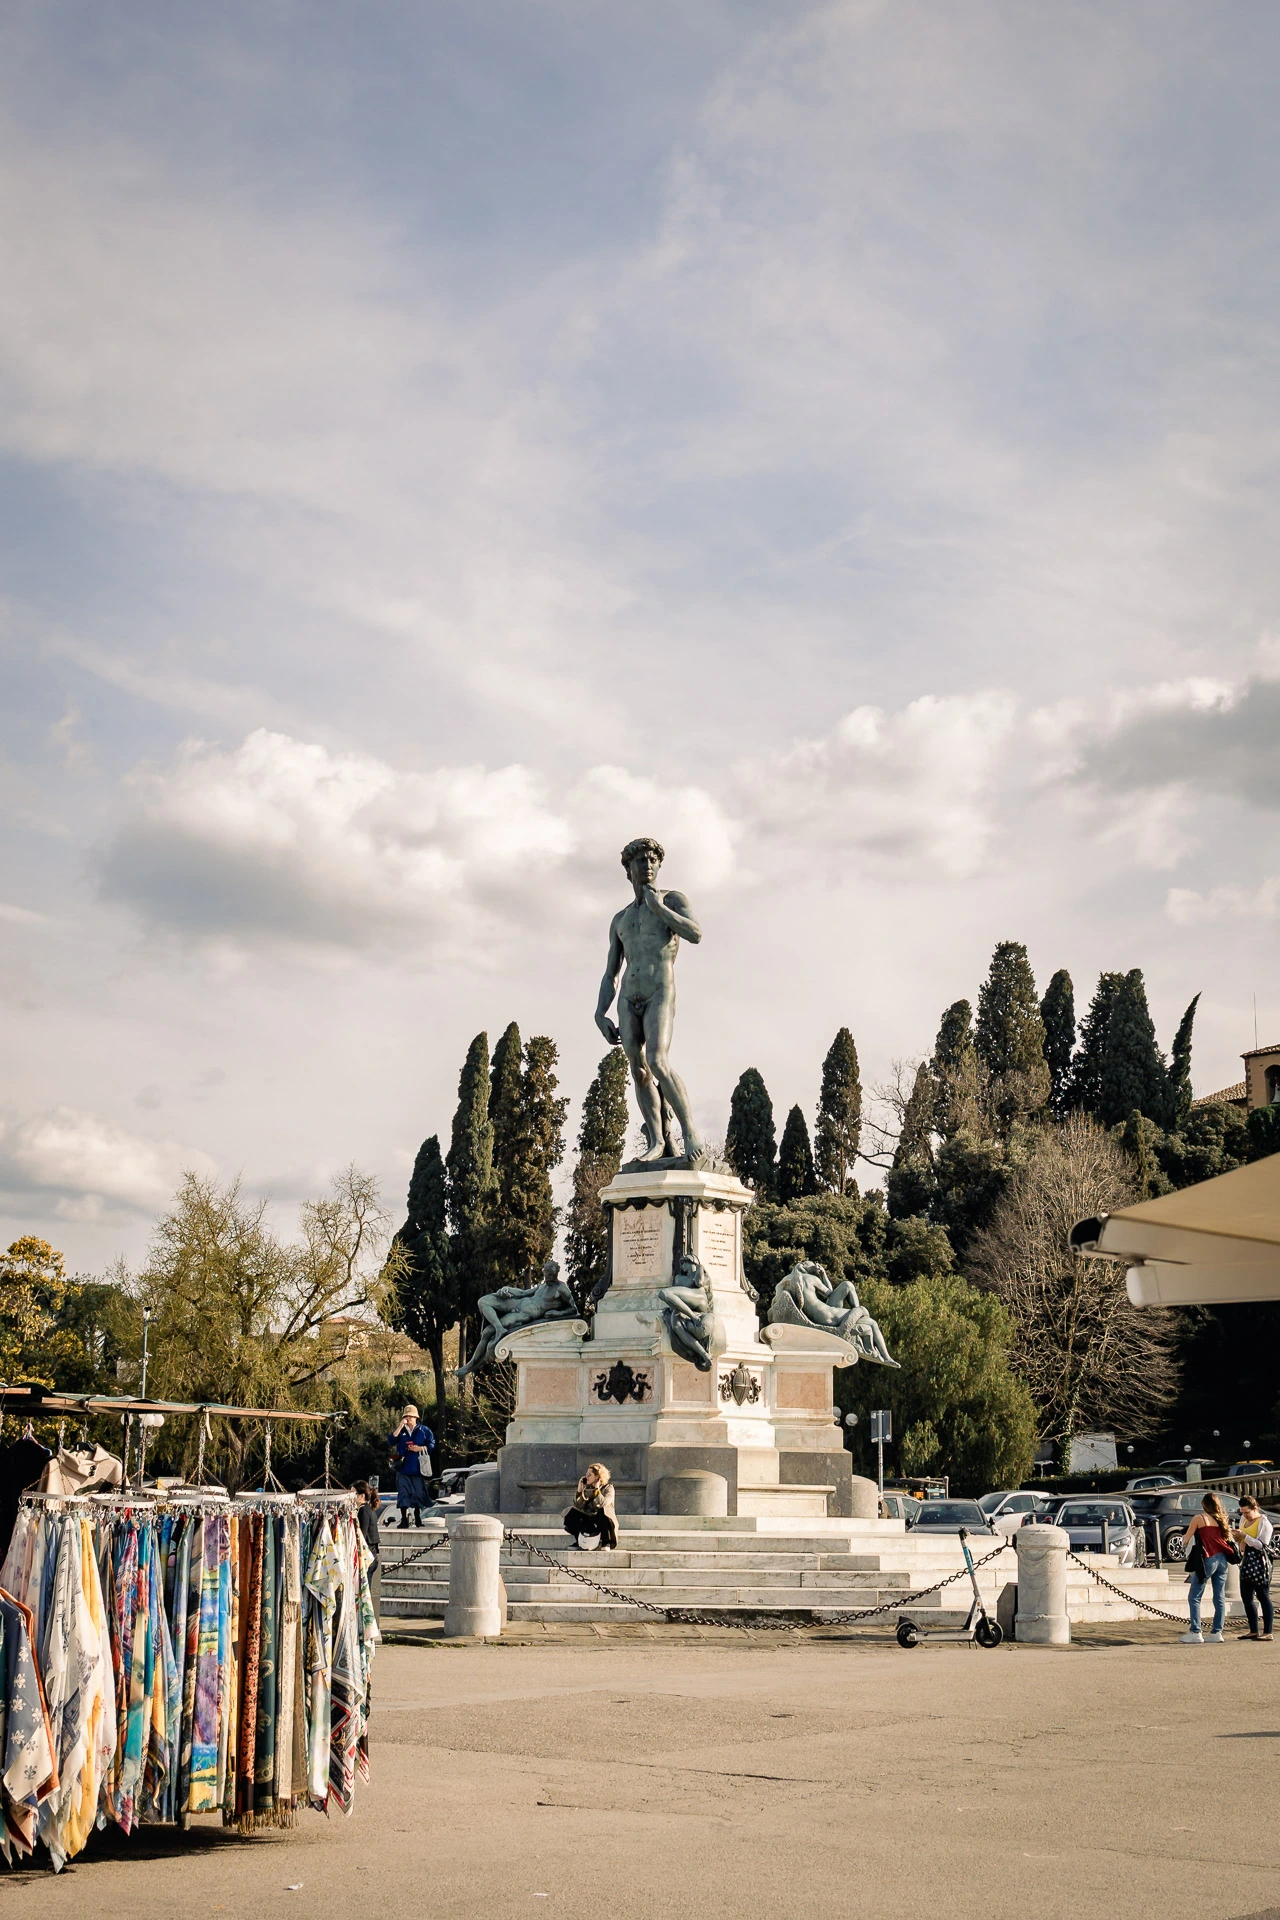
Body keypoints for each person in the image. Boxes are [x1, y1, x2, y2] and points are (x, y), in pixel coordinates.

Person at [595, 837, 705, 1167]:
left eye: (653, 859)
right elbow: (611, 972)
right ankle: (658, 1140)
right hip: (629, 996)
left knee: (657, 1060)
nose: (648, 864)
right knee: (638, 1068)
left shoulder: (673, 899)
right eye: (640, 860)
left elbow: (696, 934)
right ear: (629, 870)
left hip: (660, 990)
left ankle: (689, 1133)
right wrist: (600, 1012)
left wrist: (660, 910)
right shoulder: (621, 919)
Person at [1179, 1489, 1236, 1643]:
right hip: (1222, 1560)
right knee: (1219, 1597)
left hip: (1207, 1559)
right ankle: (1217, 1632)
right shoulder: (1223, 1519)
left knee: (1195, 1596)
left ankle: (1196, 1631)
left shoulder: (1199, 1518)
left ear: (1204, 1505)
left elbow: (1186, 1539)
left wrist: (1185, 1543)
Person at [1234, 1493, 1274, 1642]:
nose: (1245, 1515)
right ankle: (1253, 1630)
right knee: (1246, 1597)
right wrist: (1239, 1540)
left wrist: (1245, 1537)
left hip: (1260, 1561)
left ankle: (1268, 1631)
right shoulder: (1243, 1519)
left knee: (1263, 1596)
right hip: (1246, 1560)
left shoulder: (1264, 1523)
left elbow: (1262, 1545)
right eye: (1242, 1512)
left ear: (1254, 1508)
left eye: (1247, 1512)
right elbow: (1243, 1541)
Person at [389, 1405, 435, 1529]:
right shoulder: (401, 1431)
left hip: (418, 1468)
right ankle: (404, 1518)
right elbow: (391, 1440)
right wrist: (400, 1426)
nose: (408, 1419)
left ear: (416, 1418)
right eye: (406, 1417)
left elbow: (432, 1445)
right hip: (403, 1468)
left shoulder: (424, 1430)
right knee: (403, 1493)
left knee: (418, 1493)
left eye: (410, 1417)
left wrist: (420, 1448)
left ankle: (418, 1516)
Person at [563, 1462, 618, 1552]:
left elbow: (603, 1503)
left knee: (603, 1511)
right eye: (586, 1474)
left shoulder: (608, 1488)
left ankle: (606, 1542)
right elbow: (578, 1506)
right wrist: (579, 1491)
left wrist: (597, 1490)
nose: (586, 1477)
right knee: (572, 1514)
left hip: (602, 1519)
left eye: (589, 1475)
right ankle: (579, 1540)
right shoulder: (586, 1488)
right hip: (589, 1519)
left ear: (597, 1476)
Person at [354, 1479, 382, 1619]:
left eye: (354, 1494)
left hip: (368, 1555)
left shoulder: (364, 1511)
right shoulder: (369, 1510)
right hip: (373, 1554)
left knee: (365, 1593)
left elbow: (362, 1536)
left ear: (362, 1495)